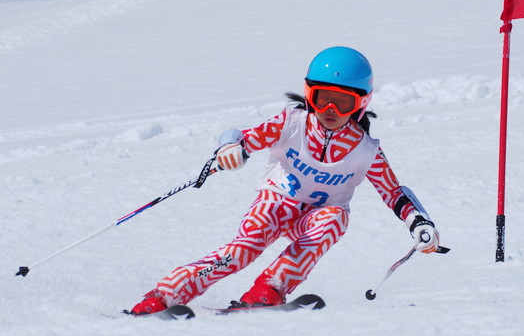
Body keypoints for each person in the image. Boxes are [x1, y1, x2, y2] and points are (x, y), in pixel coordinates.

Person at [128, 46, 441, 314]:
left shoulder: (366, 150)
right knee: (244, 250)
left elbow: (393, 192)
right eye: (322, 99)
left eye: (342, 102)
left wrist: (418, 221)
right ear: (309, 94)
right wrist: (229, 150)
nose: (330, 110)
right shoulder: (291, 123)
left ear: (361, 102)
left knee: (335, 219)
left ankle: (269, 290)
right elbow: (240, 137)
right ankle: (164, 296)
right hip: (277, 201)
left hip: (318, 216)